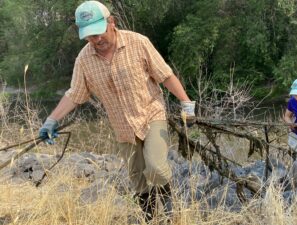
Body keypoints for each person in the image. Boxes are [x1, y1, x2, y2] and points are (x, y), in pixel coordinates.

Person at [38, 1, 195, 222]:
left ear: (111, 22)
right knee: (138, 181)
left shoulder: (138, 42)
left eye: (99, 32)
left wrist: (186, 104)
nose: (96, 39)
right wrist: (51, 120)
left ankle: (171, 215)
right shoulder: (84, 60)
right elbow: (75, 93)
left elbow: (165, 75)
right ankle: (149, 219)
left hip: (151, 114)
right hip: (122, 127)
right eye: (90, 36)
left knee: (156, 168)